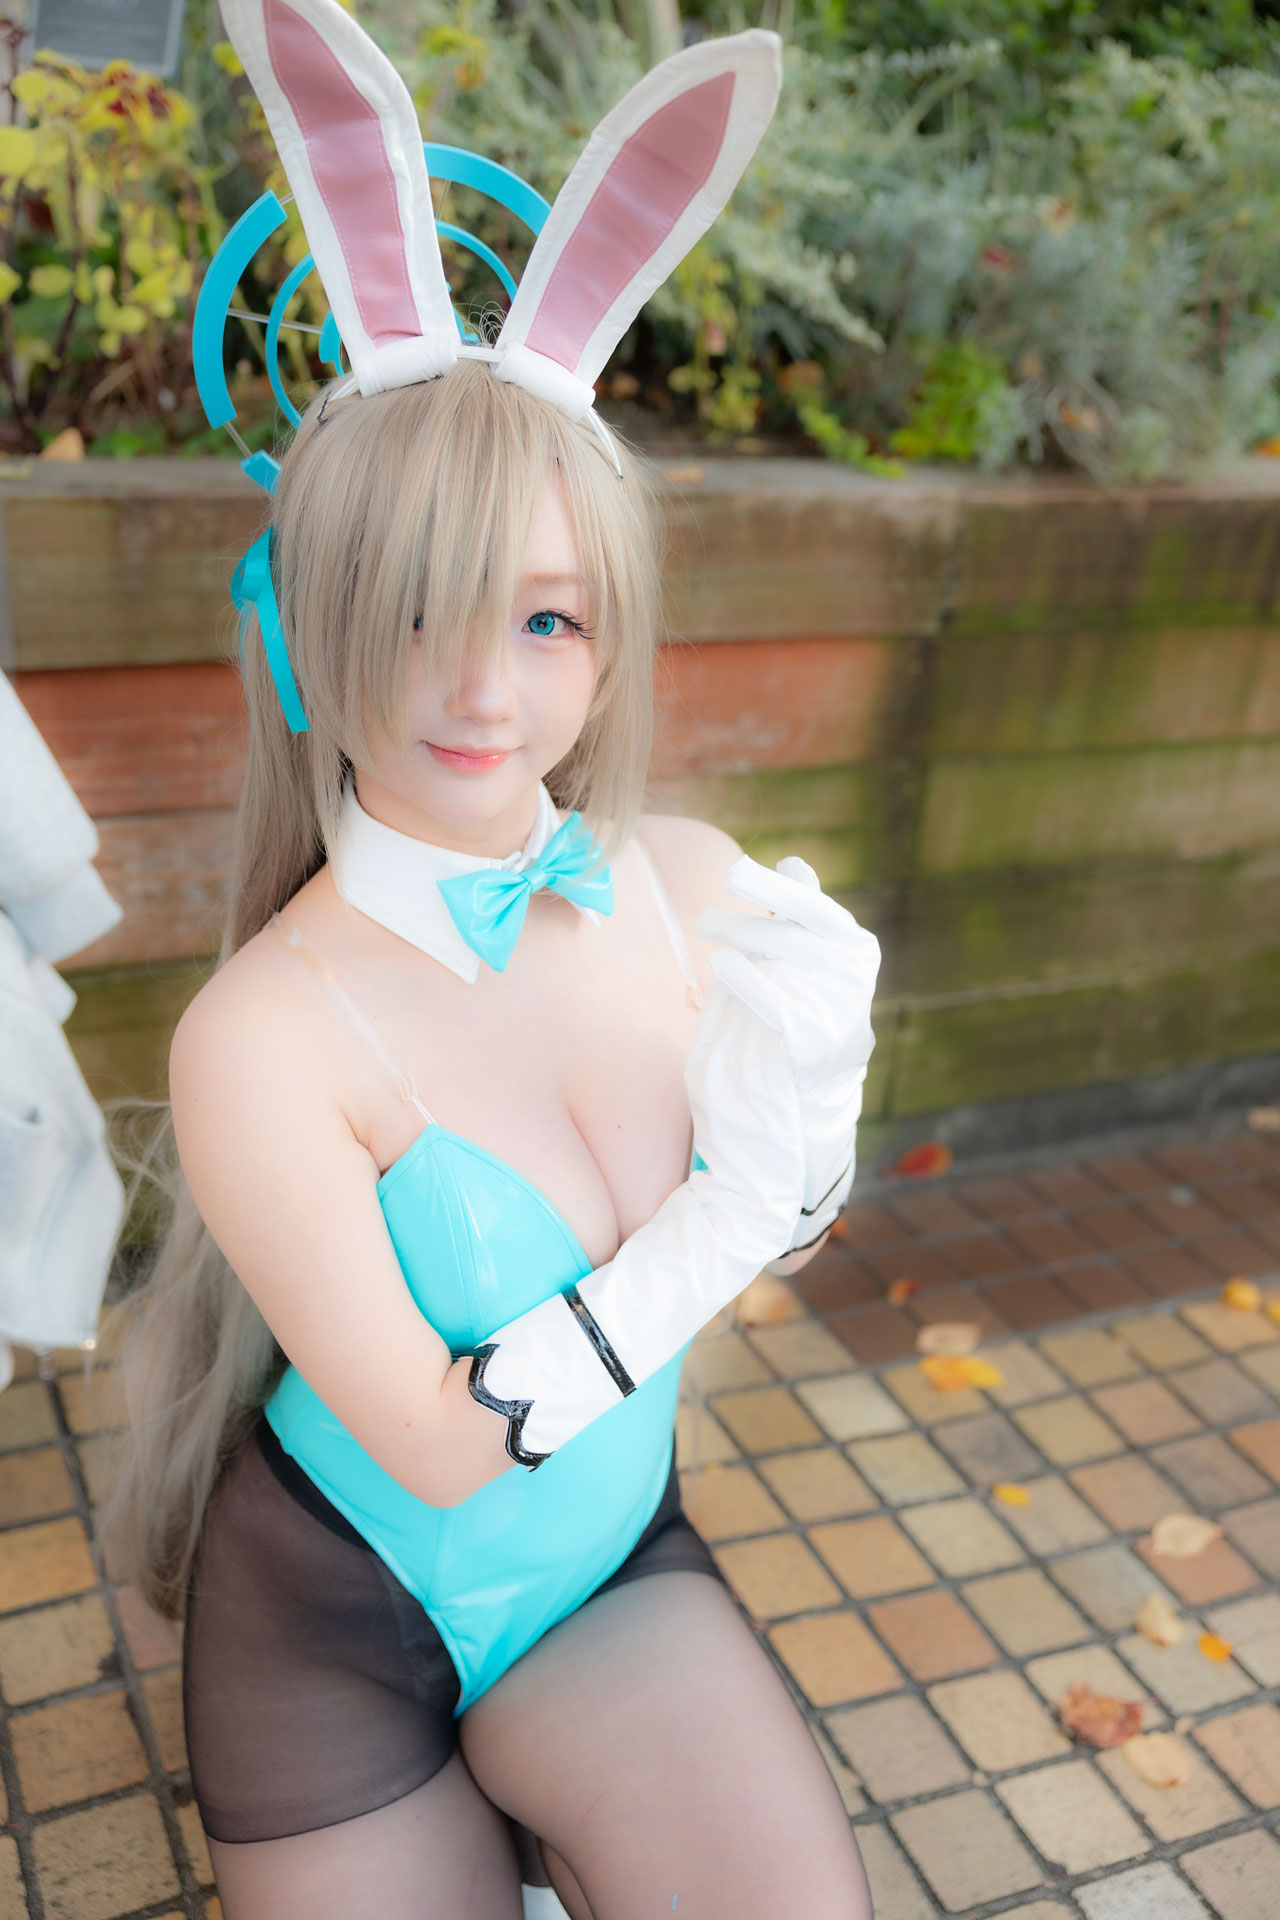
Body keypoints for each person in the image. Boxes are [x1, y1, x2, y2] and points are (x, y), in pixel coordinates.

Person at [103, 6, 880, 1915]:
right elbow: (448, 1451)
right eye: (418, 609)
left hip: (605, 1568)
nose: (479, 689)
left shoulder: (692, 884)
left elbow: (800, 1226)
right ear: (310, 621)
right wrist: (734, 1217)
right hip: (336, 1631)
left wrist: (817, 1110)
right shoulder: (260, 1036)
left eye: (547, 620)